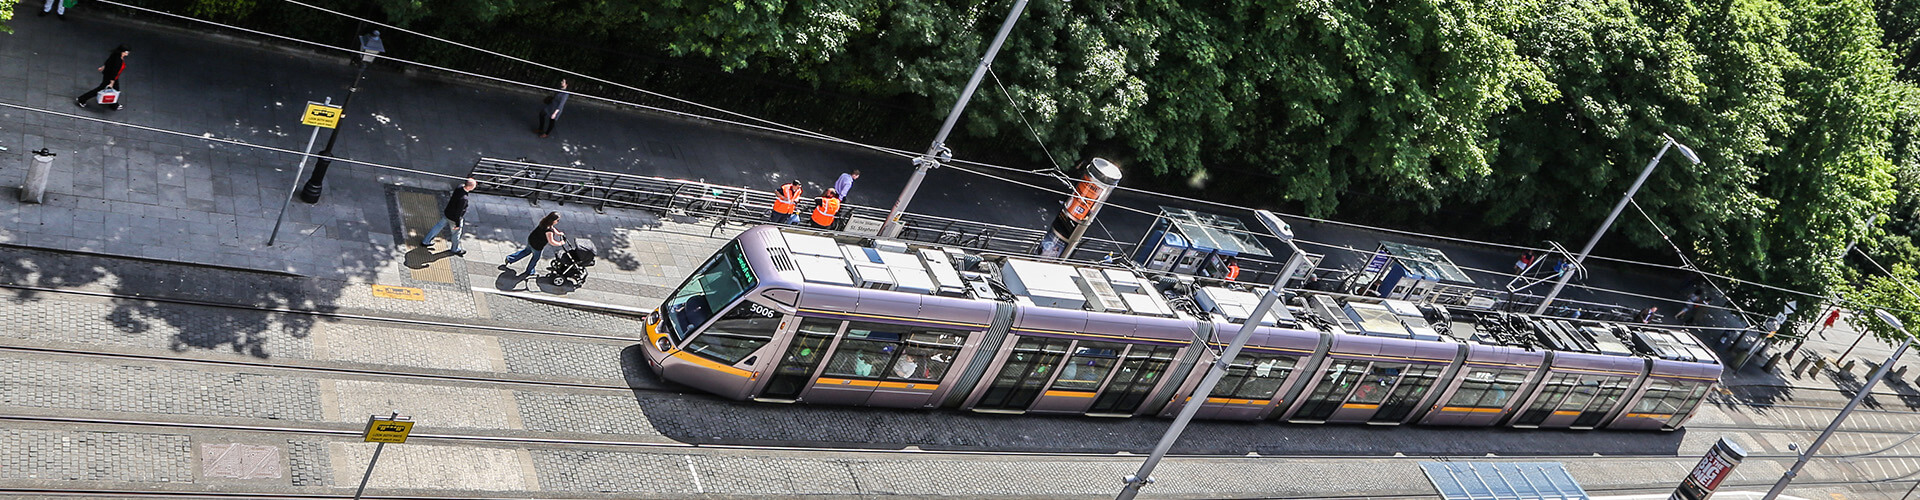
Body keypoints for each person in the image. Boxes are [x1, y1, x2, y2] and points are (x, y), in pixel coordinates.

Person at [420, 178, 477, 256]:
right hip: (454, 218)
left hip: (447, 213)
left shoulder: (459, 187)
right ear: (470, 187)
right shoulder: (464, 199)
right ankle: (455, 249)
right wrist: (457, 224)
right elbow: (458, 213)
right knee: (456, 234)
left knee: (438, 226)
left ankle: (426, 241)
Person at [503, 211, 565, 277]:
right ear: (553, 220)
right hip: (537, 246)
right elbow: (551, 241)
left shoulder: (544, 221)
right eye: (557, 220)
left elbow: (552, 228)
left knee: (526, 251)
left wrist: (558, 233)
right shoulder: (548, 231)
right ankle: (530, 271)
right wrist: (560, 243)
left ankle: (510, 258)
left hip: (531, 240)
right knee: (535, 258)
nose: (558, 222)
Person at [77, 45, 130, 111]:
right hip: (111, 77)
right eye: (126, 52)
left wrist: (103, 67)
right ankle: (82, 99)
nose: (127, 53)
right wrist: (112, 82)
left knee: (115, 90)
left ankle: (114, 105)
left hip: (111, 76)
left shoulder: (115, 56)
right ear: (121, 51)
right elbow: (114, 71)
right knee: (101, 90)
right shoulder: (118, 60)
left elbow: (108, 62)